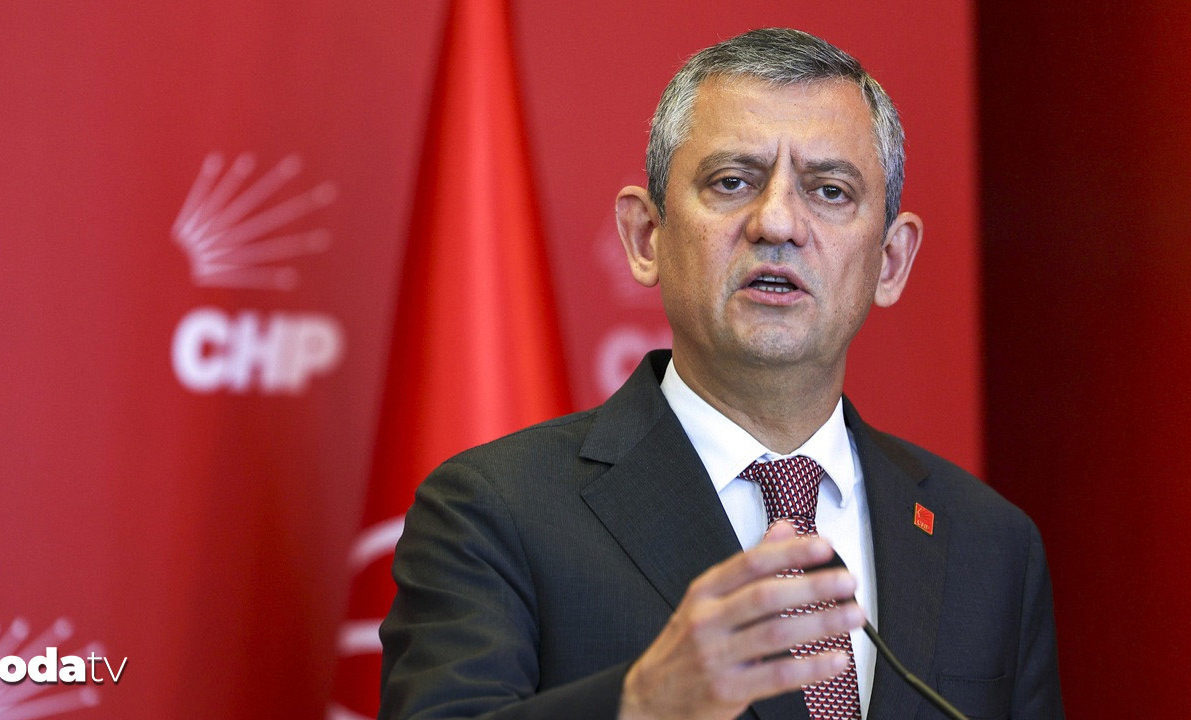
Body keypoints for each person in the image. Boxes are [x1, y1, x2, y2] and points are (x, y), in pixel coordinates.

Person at [378, 28, 1063, 720]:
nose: (777, 223)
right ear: (646, 237)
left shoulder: (990, 544)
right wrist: (642, 704)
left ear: (891, 261)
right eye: (733, 182)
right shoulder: (494, 510)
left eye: (829, 191)